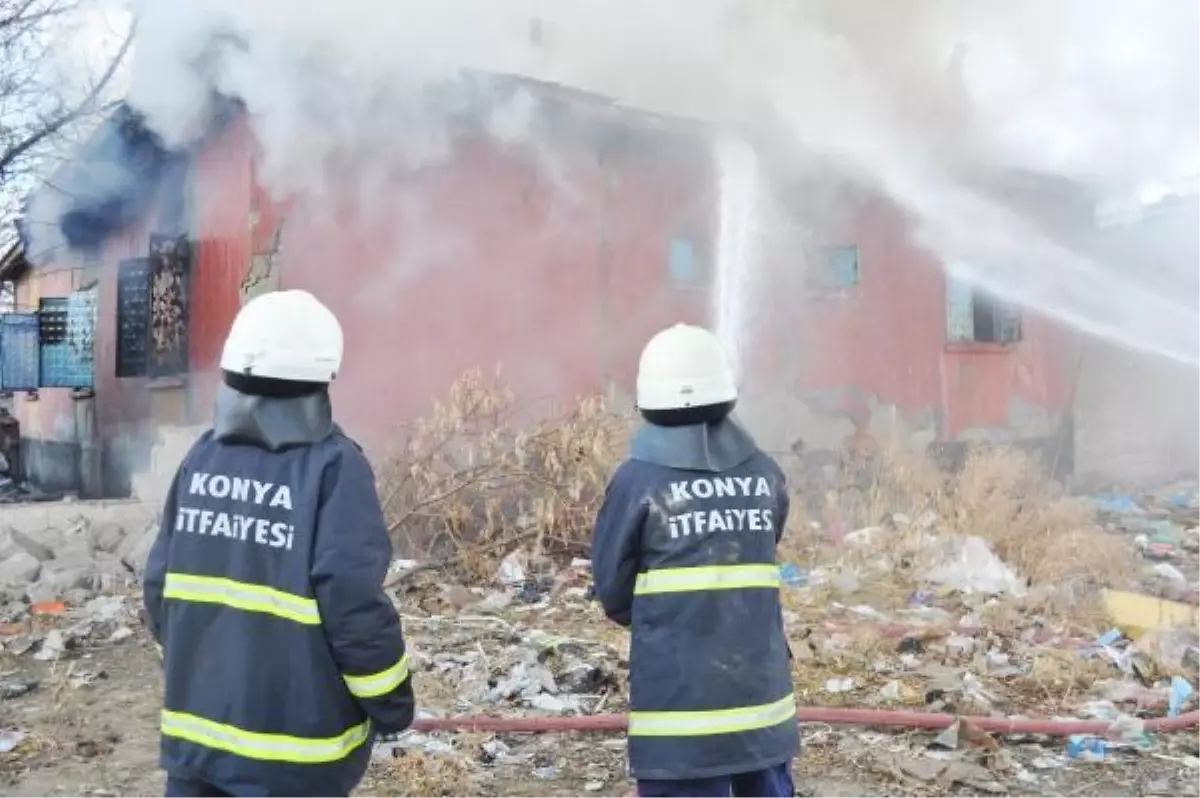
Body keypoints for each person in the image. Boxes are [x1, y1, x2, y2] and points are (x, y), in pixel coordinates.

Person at [142, 289, 415, 798]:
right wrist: (391, 701)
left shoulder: (200, 459)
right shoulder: (335, 467)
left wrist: (192, 666)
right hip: (294, 758)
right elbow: (352, 604)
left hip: (196, 745)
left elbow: (159, 588)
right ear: (321, 376)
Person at [591, 323, 799, 798]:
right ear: (726, 393)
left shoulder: (636, 482)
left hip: (678, 715)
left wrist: (668, 620)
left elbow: (613, 590)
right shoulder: (765, 474)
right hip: (762, 707)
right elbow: (762, 552)